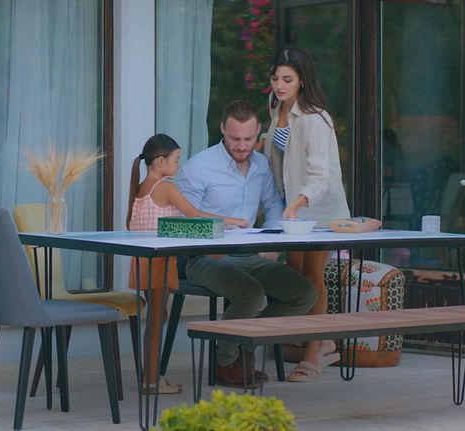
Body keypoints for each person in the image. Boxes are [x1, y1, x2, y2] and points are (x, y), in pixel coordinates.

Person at [177, 100, 316, 389]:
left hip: (250, 255)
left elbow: (274, 205)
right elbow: (183, 220)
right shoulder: (199, 167)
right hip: (205, 257)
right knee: (250, 293)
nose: (242, 146)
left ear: (258, 132)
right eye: (235, 139)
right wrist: (220, 225)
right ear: (222, 130)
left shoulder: (261, 165)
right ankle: (226, 361)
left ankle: (244, 344)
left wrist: (273, 241)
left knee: (304, 293)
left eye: (248, 139)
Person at [126, 133, 247, 394]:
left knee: (158, 317)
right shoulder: (165, 187)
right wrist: (231, 221)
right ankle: (150, 382)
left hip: (143, 261)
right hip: (159, 261)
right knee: (156, 321)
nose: (178, 165)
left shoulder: (141, 187)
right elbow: (195, 214)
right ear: (161, 161)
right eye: (176, 159)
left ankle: (153, 376)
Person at [264, 46, 351, 382]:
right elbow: (282, 157)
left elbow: (320, 175)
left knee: (312, 277)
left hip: (315, 210)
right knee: (294, 275)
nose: (279, 85)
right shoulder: (276, 107)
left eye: (287, 79)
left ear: (302, 80)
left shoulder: (315, 118)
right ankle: (321, 340)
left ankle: (315, 353)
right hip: (291, 211)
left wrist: (297, 203)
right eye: (275, 78)